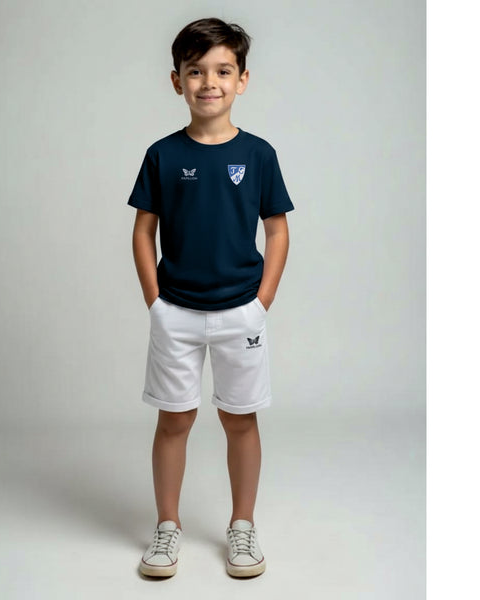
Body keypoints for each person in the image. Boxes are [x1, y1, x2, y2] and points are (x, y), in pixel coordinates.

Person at [128, 17, 294, 578]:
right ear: (177, 80)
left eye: (223, 71)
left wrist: (262, 300)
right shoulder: (162, 154)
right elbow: (143, 230)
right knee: (173, 421)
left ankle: (242, 526)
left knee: (240, 421)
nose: (209, 83)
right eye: (196, 71)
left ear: (242, 79)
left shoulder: (260, 154)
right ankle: (167, 527)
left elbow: (277, 229)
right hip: (175, 312)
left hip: (240, 312)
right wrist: (155, 301)